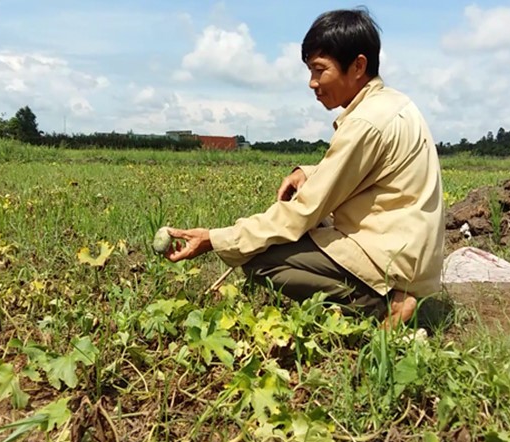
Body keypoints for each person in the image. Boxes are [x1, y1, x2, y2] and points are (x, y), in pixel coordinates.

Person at [164, 8, 444, 329]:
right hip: (410, 251)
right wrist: (309, 172)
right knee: (294, 236)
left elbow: (302, 213)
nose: (312, 83)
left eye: (319, 70)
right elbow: (372, 169)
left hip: (391, 260)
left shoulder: (364, 123)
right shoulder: (392, 104)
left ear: (358, 66)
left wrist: (216, 238)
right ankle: (390, 292)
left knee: (259, 260)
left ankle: (380, 304)